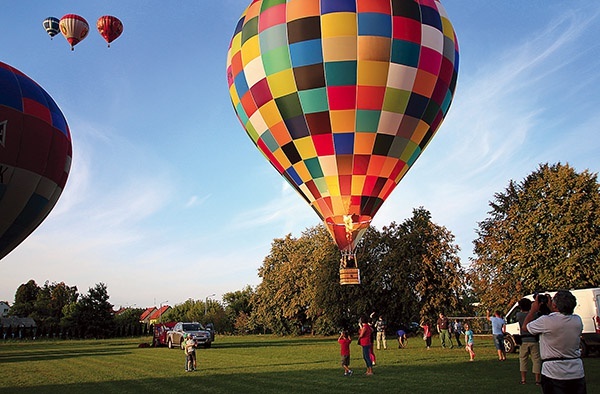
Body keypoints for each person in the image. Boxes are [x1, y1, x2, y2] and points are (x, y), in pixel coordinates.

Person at [522, 291, 587, 394]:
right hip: (576, 370)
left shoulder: (546, 321)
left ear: (555, 305)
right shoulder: (577, 320)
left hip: (554, 371)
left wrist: (533, 309)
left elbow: (525, 327)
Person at [516, 298, 541, 385]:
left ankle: (523, 379)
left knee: (523, 359)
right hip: (534, 339)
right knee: (536, 359)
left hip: (523, 340)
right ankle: (537, 380)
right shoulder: (535, 315)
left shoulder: (519, 315)